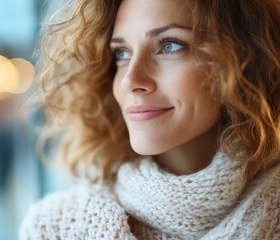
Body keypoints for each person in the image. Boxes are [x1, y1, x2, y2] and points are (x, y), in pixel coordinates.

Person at [20, 0, 280, 239]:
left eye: (169, 46)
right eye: (121, 53)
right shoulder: (56, 228)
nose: (130, 80)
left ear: (245, 60)